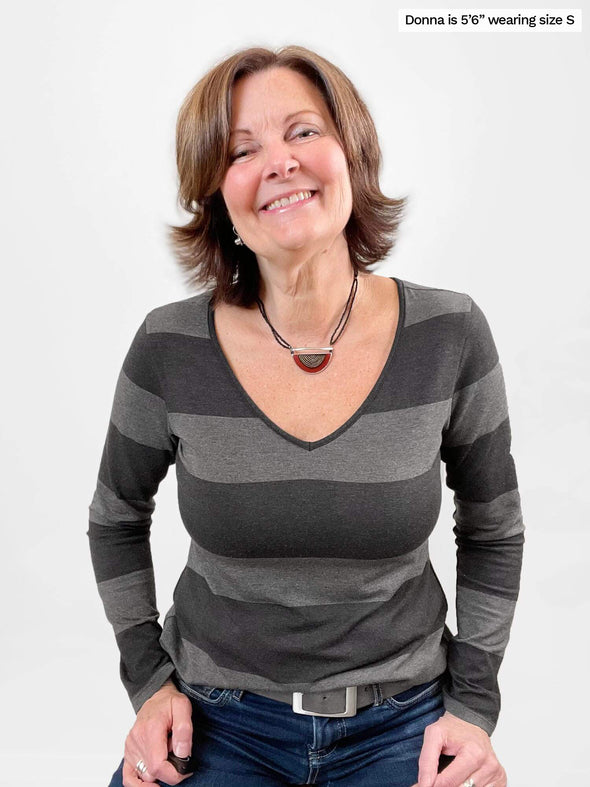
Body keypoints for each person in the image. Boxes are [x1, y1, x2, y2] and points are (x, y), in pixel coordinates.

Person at [88, 45, 524, 787]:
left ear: (350, 153)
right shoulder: (169, 345)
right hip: (215, 720)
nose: (280, 162)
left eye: (302, 132)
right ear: (216, 196)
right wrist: (149, 684)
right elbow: (115, 518)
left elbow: (493, 526)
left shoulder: (449, 333)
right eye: (242, 150)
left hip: (405, 724)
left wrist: (473, 710)